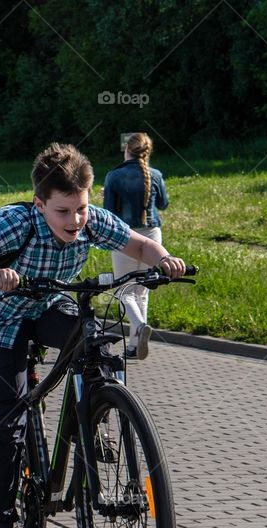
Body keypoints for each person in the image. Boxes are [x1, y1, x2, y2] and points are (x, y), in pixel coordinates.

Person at [0, 142, 186, 528]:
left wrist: (164, 259)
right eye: (63, 212)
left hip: (47, 305)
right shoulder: (15, 223)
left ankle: (96, 410)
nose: (75, 221)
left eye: (80, 208)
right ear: (40, 204)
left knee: (90, 335)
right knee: (8, 418)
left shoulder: (89, 221)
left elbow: (136, 244)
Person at [102, 133, 169, 359]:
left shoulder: (114, 175)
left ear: (127, 150)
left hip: (125, 235)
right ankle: (133, 346)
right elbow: (163, 203)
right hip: (153, 234)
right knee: (142, 291)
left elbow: (109, 214)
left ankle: (139, 327)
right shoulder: (156, 174)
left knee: (124, 290)